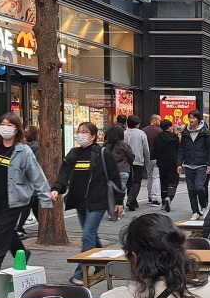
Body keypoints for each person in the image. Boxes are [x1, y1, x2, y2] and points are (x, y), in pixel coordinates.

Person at [0, 113, 53, 280]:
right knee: (5, 230)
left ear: (17, 128)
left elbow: (36, 174)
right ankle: (23, 253)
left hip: (15, 198)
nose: (5, 127)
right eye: (3, 123)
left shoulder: (23, 150)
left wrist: (45, 197)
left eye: (10, 125)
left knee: (1, 232)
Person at [51, 121, 124, 285]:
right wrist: (57, 188)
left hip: (98, 201)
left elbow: (114, 177)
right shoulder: (74, 153)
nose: (81, 134)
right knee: (91, 235)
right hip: (80, 201)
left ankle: (80, 274)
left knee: (87, 235)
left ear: (93, 136)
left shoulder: (102, 153)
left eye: (85, 132)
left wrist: (119, 201)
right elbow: (64, 172)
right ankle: (100, 265)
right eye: (79, 131)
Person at [177, 110, 210, 220]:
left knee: (199, 187)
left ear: (198, 119)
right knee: (191, 190)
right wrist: (179, 163)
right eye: (190, 118)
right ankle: (195, 211)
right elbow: (182, 149)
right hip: (188, 164)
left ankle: (204, 206)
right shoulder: (185, 132)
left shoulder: (205, 132)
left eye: (193, 118)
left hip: (201, 164)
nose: (191, 120)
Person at [16, 124, 41, 238]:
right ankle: (19, 228)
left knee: (32, 204)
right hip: (31, 181)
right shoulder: (37, 148)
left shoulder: (22, 148)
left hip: (23, 180)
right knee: (30, 204)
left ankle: (41, 226)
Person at [124, 115, 152, 211]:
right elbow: (146, 149)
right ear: (137, 124)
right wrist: (147, 161)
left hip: (126, 161)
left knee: (129, 181)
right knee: (136, 181)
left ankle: (132, 201)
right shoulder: (141, 133)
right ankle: (131, 200)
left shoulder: (124, 133)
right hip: (138, 160)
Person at [104, 124, 135, 206]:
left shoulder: (105, 146)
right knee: (120, 190)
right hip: (123, 170)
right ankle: (118, 208)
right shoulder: (123, 144)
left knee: (111, 191)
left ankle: (114, 208)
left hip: (109, 172)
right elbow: (131, 156)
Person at [153, 119, 180, 213]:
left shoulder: (157, 138)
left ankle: (164, 203)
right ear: (170, 127)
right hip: (173, 163)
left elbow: (154, 151)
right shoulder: (175, 138)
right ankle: (169, 197)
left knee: (163, 182)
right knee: (173, 182)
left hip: (161, 163)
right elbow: (179, 150)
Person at [143, 114, 164, 205]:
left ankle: (149, 196)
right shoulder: (160, 131)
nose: (160, 122)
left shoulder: (143, 131)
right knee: (156, 177)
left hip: (147, 157)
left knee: (150, 177)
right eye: (159, 120)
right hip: (157, 157)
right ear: (154, 120)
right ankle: (154, 197)